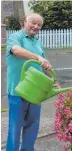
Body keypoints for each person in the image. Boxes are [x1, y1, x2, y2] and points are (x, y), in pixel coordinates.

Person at [6, 13, 56, 151]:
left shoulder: (38, 42)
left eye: (39, 25)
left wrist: (55, 81)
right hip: (18, 91)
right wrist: (37, 57)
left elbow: (45, 64)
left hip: (35, 94)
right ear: (24, 22)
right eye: (33, 22)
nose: (36, 26)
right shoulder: (16, 37)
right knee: (15, 129)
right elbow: (15, 50)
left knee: (32, 127)